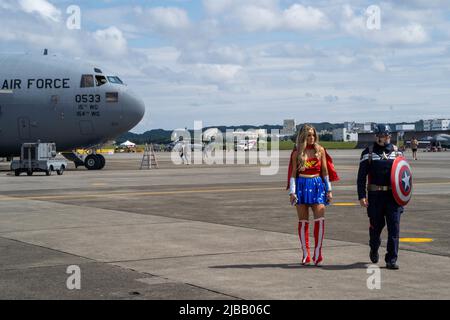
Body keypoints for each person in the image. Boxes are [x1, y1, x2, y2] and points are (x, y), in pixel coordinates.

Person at [287, 125, 338, 266]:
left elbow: (325, 172)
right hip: (301, 186)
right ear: (303, 137)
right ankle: (305, 253)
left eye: (313, 135)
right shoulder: (296, 153)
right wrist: (292, 192)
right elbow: (293, 174)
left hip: (317, 185)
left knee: (320, 219)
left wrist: (329, 190)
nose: (312, 138)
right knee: (303, 222)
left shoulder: (320, 150)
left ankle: (318, 252)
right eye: (309, 135)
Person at [357, 124, 404, 270]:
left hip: (393, 196)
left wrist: (403, 195)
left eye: (385, 135)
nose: (383, 138)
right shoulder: (368, 153)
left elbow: (404, 174)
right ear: (376, 136)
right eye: (380, 135)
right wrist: (362, 196)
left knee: (394, 228)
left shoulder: (397, 153)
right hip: (375, 196)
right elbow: (361, 177)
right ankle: (374, 247)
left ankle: (391, 259)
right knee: (376, 228)